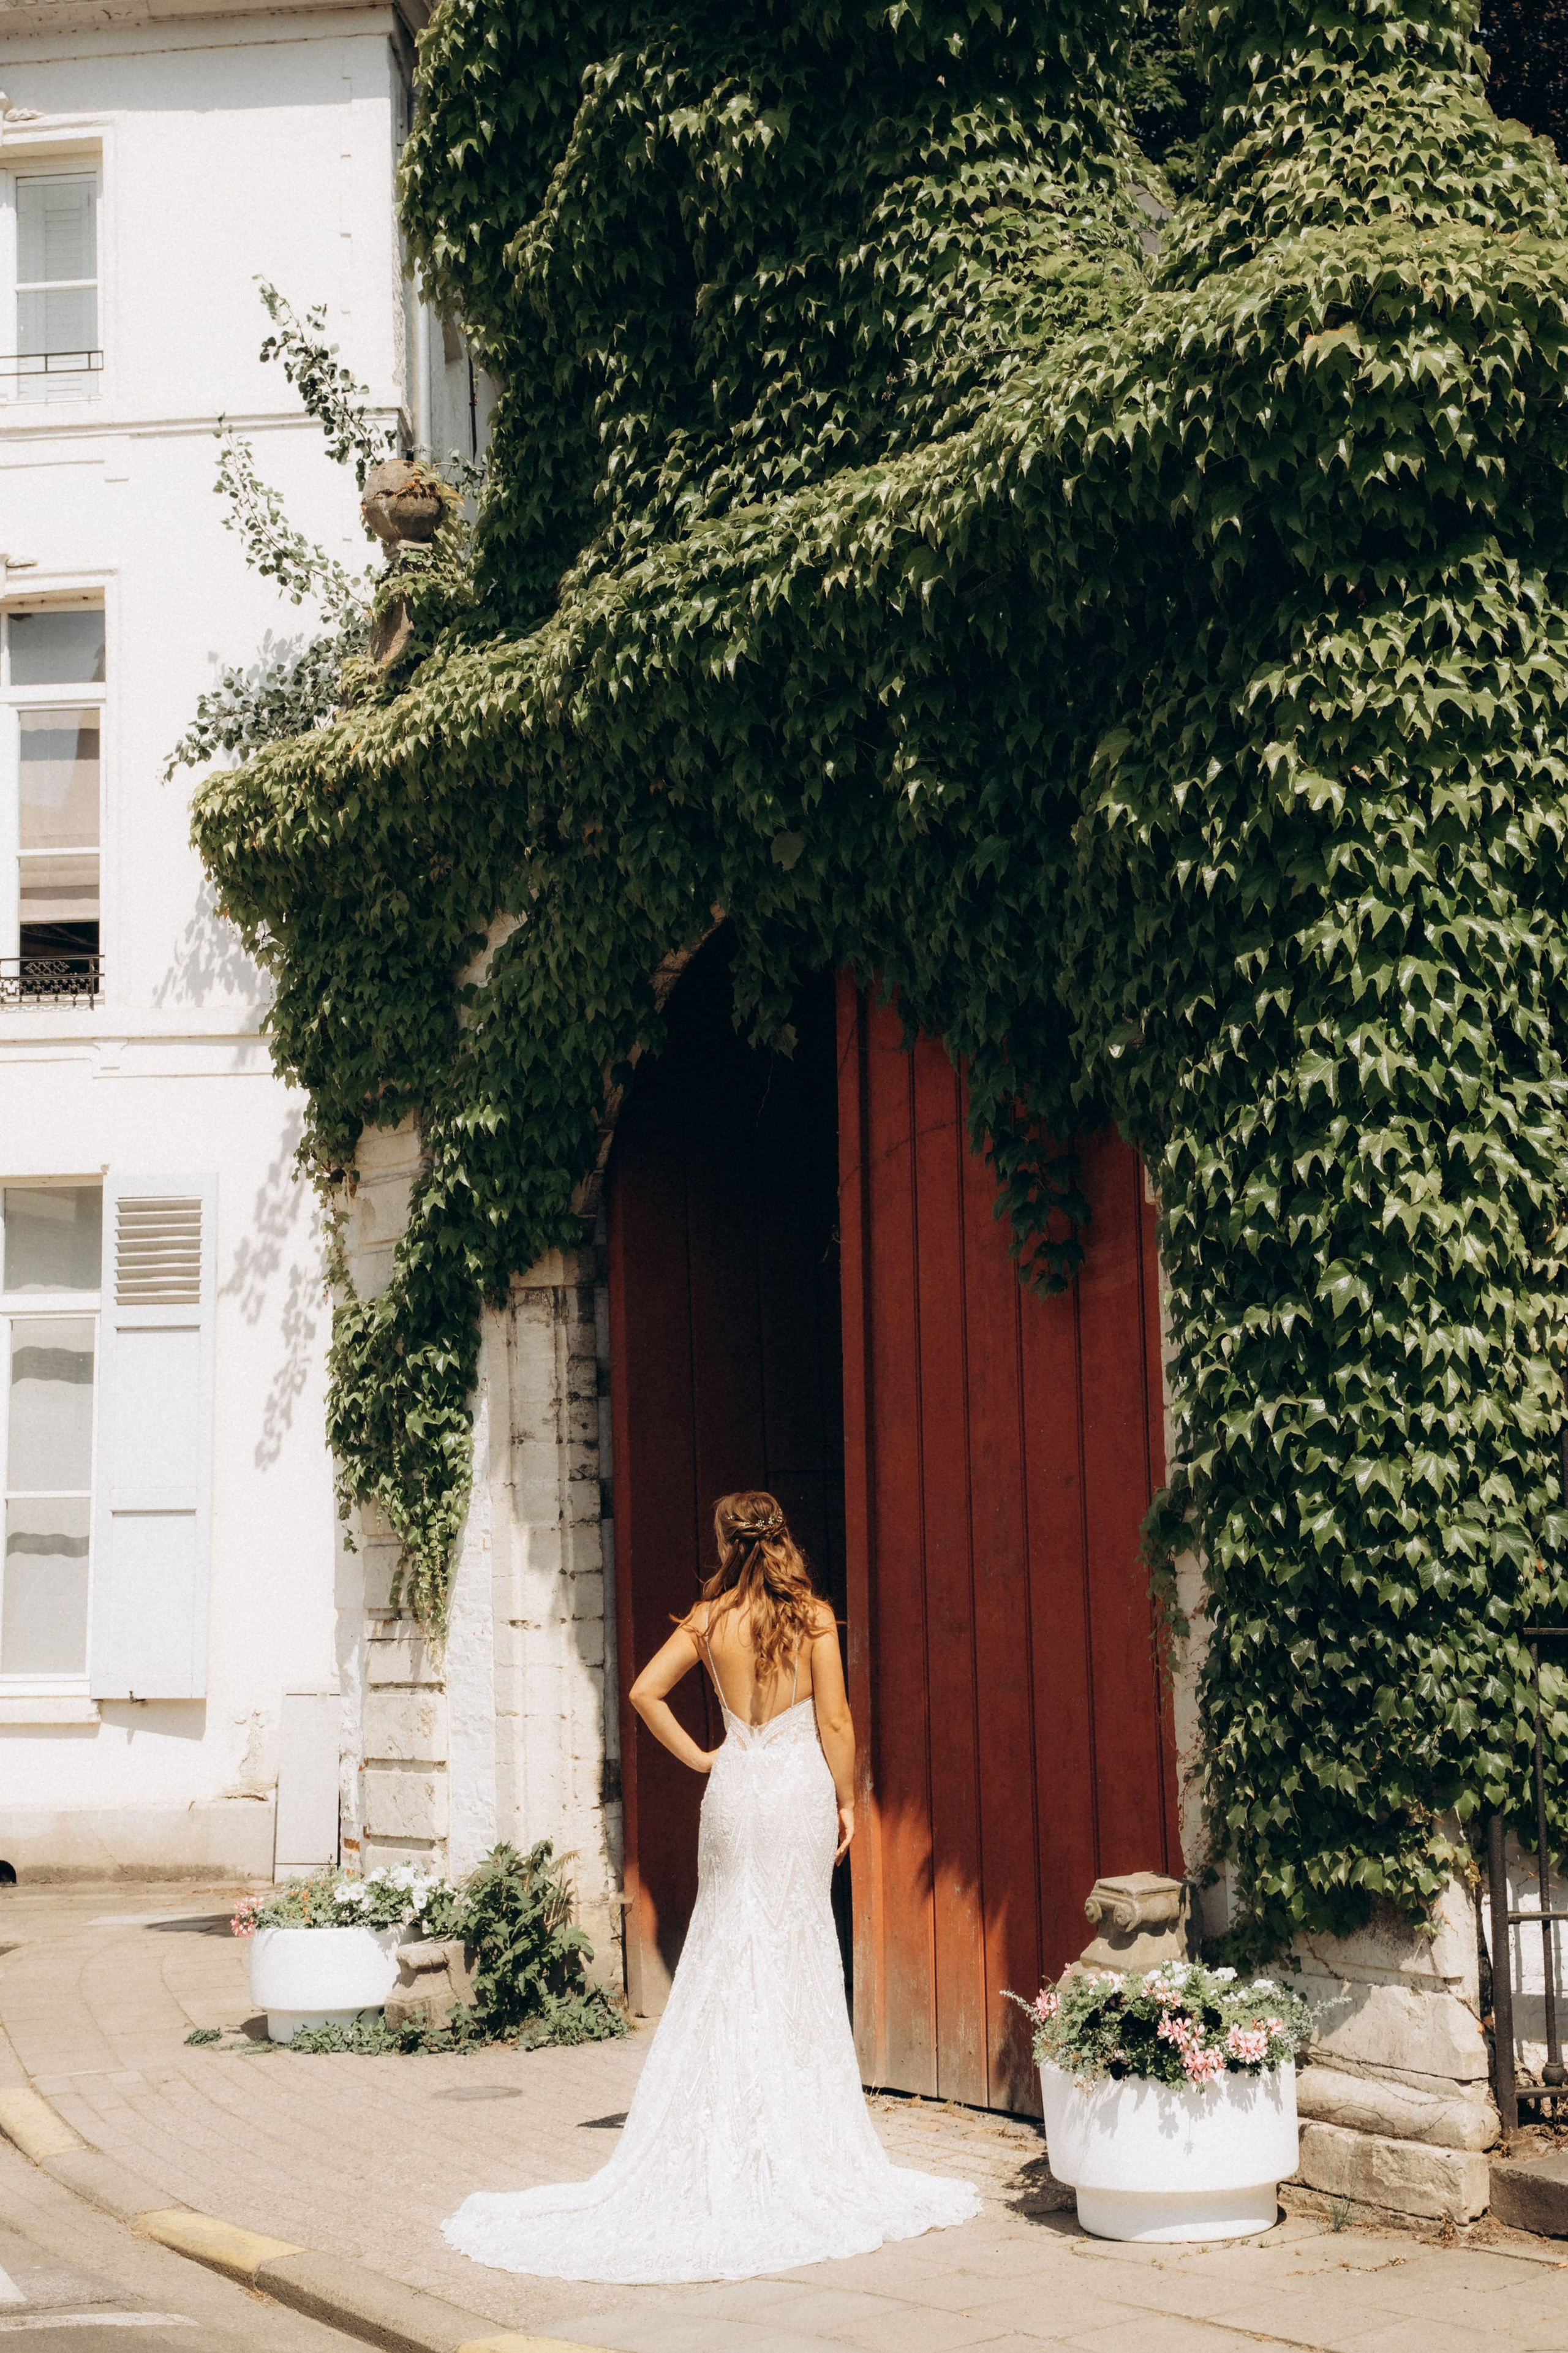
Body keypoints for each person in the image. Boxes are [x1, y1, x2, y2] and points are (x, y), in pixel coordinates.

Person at [442, 1489, 980, 2283]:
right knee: (795, 1942)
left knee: (730, 1937)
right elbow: (835, 1720)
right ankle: (795, 2117)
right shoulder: (815, 1619)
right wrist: (844, 1798)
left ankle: (735, 2107)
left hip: (735, 1788)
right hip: (796, 1789)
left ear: (726, 1540)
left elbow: (642, 1692)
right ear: (783, 1538)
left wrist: (703, 1756)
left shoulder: (710, 1618)